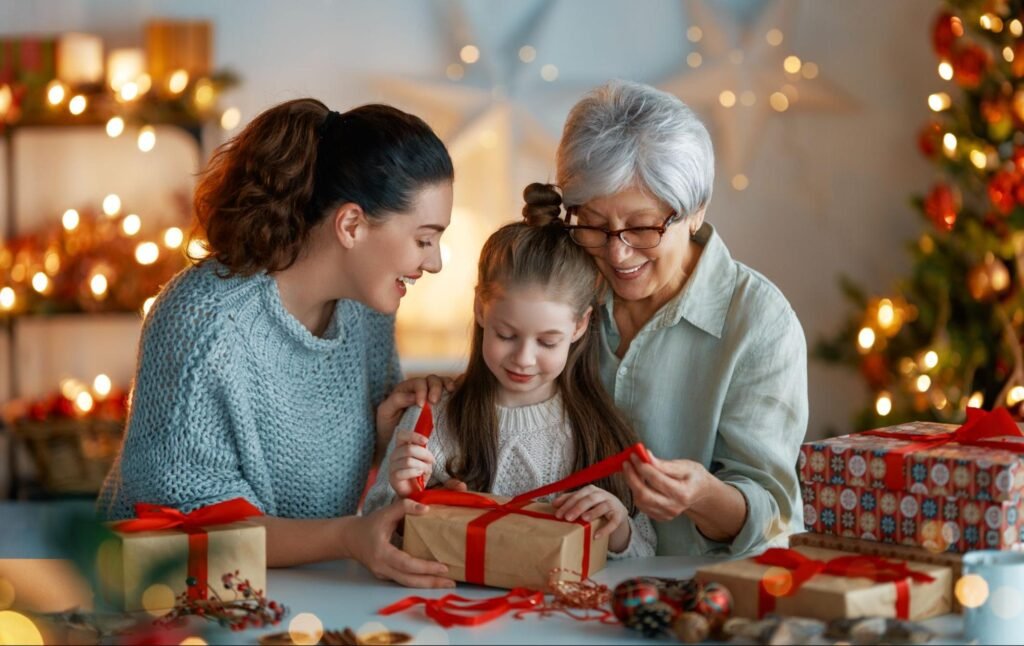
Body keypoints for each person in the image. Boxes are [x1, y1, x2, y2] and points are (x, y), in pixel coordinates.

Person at [99, 98, 460, 588]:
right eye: (424, 239)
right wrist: (347, 538)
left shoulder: (366, 312)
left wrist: (385, 437)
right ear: (351, 225)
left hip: (304, 591)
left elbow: (336, 482)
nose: (434, 262)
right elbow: (190, 525)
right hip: (172, 601)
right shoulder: (204, 323)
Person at [525, 80, 808, 557]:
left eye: (641, 227)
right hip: (559, 577)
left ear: (696, 212)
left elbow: (774, 520)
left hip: (700, 589)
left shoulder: (760, 323)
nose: (618, 254)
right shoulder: (564, 285)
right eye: (594, 224)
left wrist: (702, 497)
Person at [364, 205, 657, 558]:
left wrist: (618, 529)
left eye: (547, 342)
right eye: (506, 335)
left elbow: (646, 556)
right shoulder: (433, 419)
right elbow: (374, 537)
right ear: (480, 308)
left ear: (580, 325)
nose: (523, 358)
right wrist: (405, 498)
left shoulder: (600, 431)